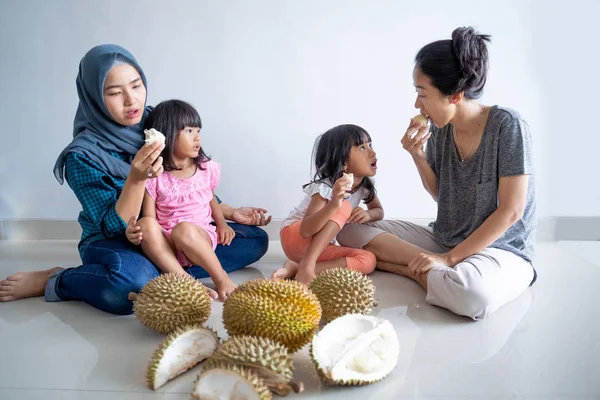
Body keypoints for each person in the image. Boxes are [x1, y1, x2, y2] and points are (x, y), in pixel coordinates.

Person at [0, 45, 270, 313]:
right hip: (119, 239)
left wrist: (231, 212)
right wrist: (137, 179)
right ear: (94, 97)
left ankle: (166, 270)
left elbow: (189, 182)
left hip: (172, 232)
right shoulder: (82, 156)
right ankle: (58, 279)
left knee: (255, 240)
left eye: (137, 86)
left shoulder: (157, 121)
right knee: (126, 286)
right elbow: (111, 228)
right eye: (115, 93)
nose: (132, 101)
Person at [337, 27, 537, 320]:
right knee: (345, 228)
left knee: (473, 297)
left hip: (501, 250)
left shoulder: (508, 126)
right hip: (444, 237)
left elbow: (511, 211)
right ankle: (435, 272)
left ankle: (408, 269)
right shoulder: (441, 130)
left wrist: (449, 259)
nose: (417, 105)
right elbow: (443, 196)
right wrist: (417, 155)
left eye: (422, 94)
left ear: (454, 95)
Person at [127, 99, 236, 301]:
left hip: (197, 238)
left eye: (198, 131)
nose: (197, 138)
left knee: (183, 229)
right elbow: (150, 218)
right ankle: (186, 280)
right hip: (169, 245)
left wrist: (222, 224)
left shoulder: (204, 168)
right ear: (167, 135)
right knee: (145, 223)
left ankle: (221, 278)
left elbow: (210, 198)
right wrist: (138, 230)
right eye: (189, 131)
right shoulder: (155, 175)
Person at [272, 124, 381, 285]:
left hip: (320, 247)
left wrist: (368, 214)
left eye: (370, 145)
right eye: (362, 148)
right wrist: (334, 204)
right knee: (343, 206)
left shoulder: (364, 187)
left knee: (368, 260)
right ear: (343, 162)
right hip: (294, 237)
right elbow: (306, 229)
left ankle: (298, 268)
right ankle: (308, 266)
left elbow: (378, 211)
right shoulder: (325, 187)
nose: (373, 152)